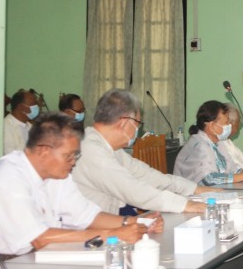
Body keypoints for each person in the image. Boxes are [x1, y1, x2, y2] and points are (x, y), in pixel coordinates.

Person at [0, 113, 163, 267]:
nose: (74, 162)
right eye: (69, 155)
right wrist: (113, 234)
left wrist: (139, 222)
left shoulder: (56, 175)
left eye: (76, 155)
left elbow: (87, 216)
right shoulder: (7, 178)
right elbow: (40, 238)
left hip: (39, 253)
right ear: (44, 151)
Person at [72, 89, 212, 215]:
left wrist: (194, 189)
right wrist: (184, 204)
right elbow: (132, 189)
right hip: (90, 229)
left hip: (110, 220)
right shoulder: (90, 149)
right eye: (137, 124)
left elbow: (146, 175)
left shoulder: (109, 147)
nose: (137, 130)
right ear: (124, 123)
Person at [175, 101, 243, 186]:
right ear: (212, 126)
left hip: (214, 191)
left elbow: (232, 168)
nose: (229, 126)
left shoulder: (219, 143)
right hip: (191, 194)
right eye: (226, 123)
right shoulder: (198, 145)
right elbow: (208, 179)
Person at [4, 89, 39, 154]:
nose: (36, 107)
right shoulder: (6, 127)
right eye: (33, 104)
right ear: (21, 107)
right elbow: (10, 155)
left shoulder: (30, 127)